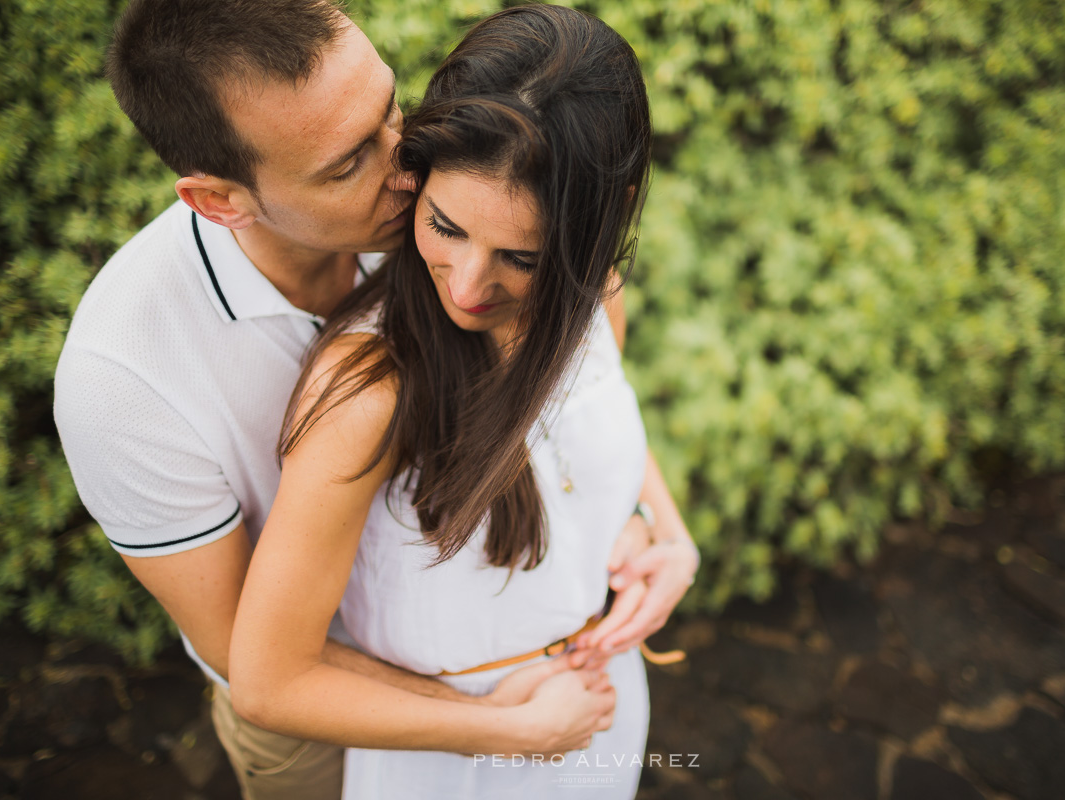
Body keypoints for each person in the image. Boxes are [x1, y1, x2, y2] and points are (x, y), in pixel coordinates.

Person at [53, 0, 692, 797]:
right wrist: (495, 724)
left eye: (390, 107)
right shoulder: (123, 381)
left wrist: (650, 523)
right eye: (347, 163)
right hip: (334, 701)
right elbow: (252, 660)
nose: (405, 164)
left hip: (546, 677)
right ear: (222, 201)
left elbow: (571, 406)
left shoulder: (470, 208)